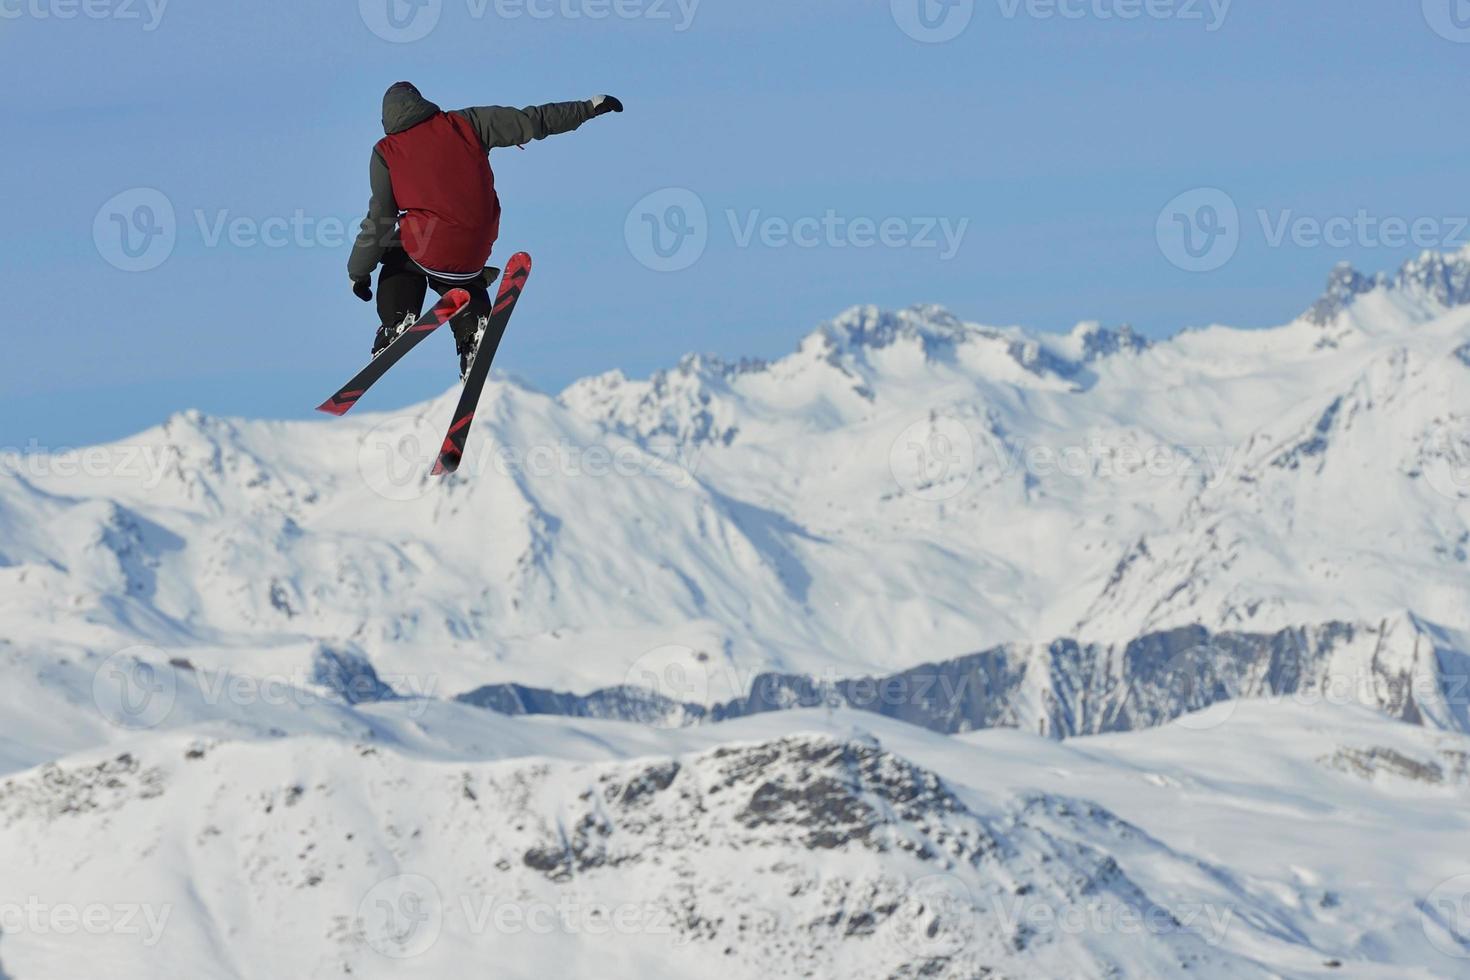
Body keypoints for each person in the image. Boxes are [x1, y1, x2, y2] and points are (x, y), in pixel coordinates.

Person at [348, 82, 624, 378]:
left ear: (386, 119)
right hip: (476, 246)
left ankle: (397, 319)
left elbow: (380, 219)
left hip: (429, 249)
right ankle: (472, 330)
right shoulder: (467, 123)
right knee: (460, 274)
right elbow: (533, 119)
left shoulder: (386, 151)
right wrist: (586, 108)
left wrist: (359, 273)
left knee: (395, 249)